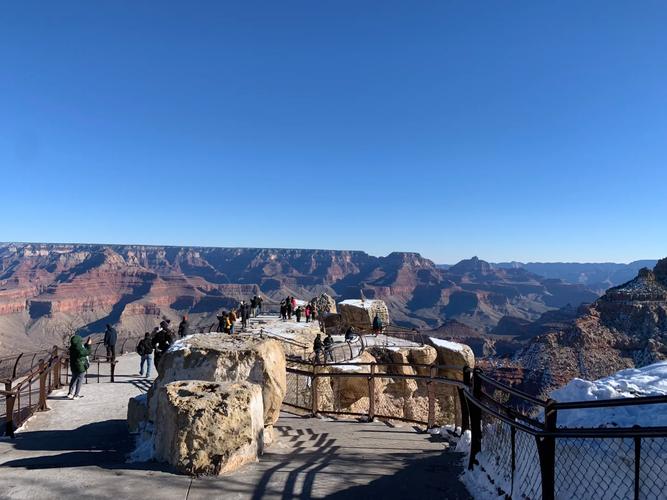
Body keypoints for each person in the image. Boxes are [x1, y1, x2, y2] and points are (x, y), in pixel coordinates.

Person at [67, 335, 92, 399]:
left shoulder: (72, 347)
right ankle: (76, 395)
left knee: (73, 379)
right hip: (80, 367)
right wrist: (89, 345)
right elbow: (87, 352)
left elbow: (82, 349)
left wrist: (86, 344)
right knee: (79, 380)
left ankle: (70, 393)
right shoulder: (79, 349)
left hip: (73, 366)